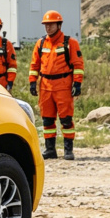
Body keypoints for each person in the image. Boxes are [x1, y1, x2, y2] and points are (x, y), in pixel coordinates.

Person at [28, 10, 84, 161]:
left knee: (66, 119)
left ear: (59, 25)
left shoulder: (70, 42)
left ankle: (68, 150)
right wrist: (32, 82)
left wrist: (77, 83)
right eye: (46, 25)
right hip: (45, 86)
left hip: (63, 86)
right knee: (47, 120)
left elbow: (78, 65)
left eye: (51, 24)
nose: (48, 27)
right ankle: (50, 149)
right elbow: (34, 65)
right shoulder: (40, 43)